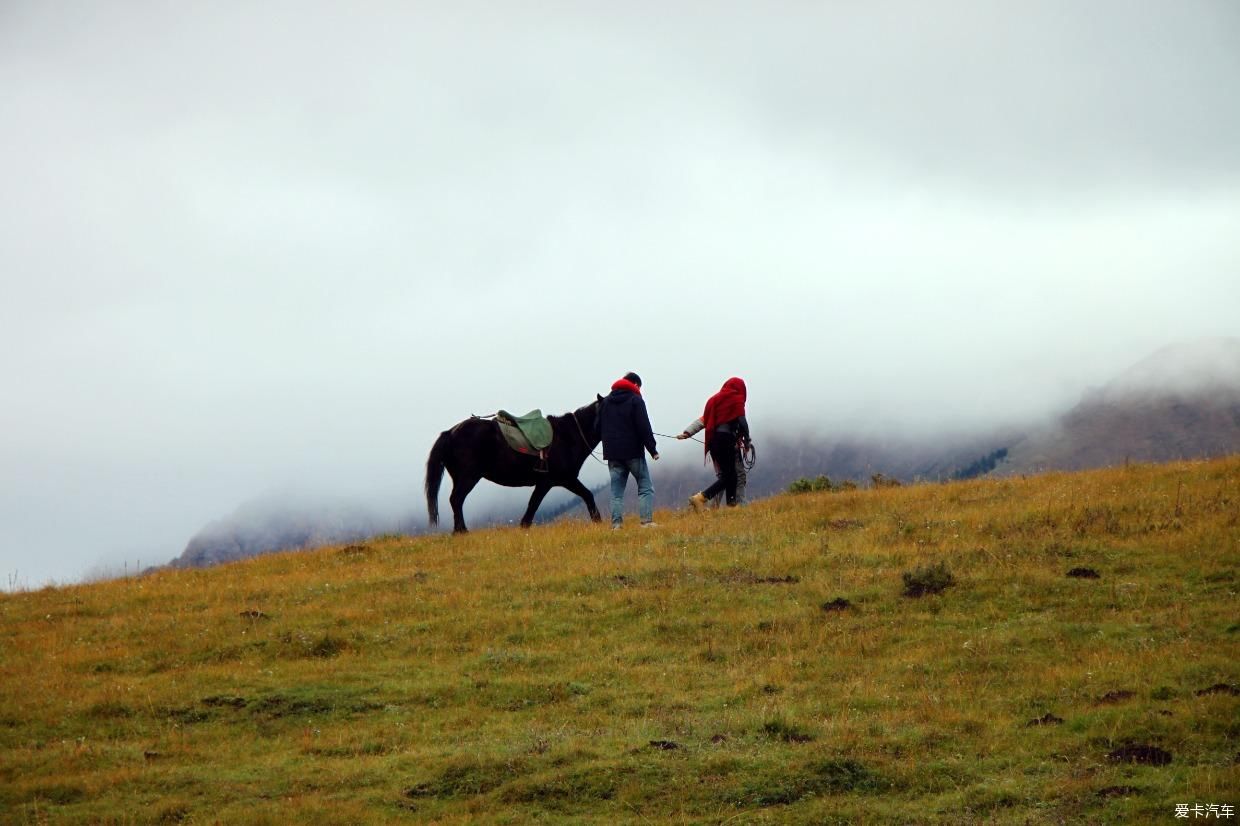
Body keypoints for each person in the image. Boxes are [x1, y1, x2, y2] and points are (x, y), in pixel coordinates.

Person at [599, 372, 659, 529]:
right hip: (633, 453)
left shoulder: (605, 402)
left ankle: (616, 526)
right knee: (645, 487)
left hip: (613, 454)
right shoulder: (636, 400)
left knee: (616, 492)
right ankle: (646, 522)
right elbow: (644, 426)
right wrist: (652, 449)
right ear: (636, 385)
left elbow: (598, 427)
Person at [679, 377, 750, 509]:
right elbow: (742, 422)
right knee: (732, 476)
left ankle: (729, 506)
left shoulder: (715, 401)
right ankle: (702, 498)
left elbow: (703, 420)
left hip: (714, 443)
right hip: (727, 441)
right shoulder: (736, 399)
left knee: (728, 476)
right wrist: (747, 441)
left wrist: (687, 432)